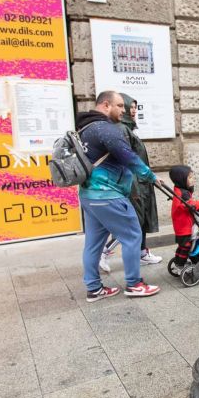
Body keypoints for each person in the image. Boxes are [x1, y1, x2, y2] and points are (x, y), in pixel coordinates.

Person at [76, 91, 161, 301]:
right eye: (120, 106)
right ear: (106, 105)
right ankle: (134, 284)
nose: (123, 110)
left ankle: (94, 288)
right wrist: (151, 176)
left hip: (89, 195)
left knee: (93, 244)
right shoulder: (105, 129)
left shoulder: (84, 129)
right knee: (132, 236)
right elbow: (129, 157)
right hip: (108, 195)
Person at [99, 93, 162, 273]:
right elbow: (126, 159)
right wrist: (136, 184)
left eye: (135, 107)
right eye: (129, 107)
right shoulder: (121, 129)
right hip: (133, 183)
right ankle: (105, 251)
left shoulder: (128, 128)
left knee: (141, 220)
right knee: (134, 222)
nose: (133, 110)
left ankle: (142, 253)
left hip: (141, 181)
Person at [167, 165, 199, 276]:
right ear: (181, 179)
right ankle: (180, 265)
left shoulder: (179, 190)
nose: (193, 179)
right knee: (186, 246)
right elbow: (192, 206)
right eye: (190, 177)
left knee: (182, 245)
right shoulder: (183, 193)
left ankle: (178, 262)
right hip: (184, 226)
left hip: (180, 224)